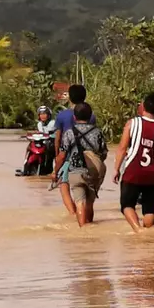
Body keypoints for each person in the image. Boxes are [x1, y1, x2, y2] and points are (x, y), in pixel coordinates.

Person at [113, 93, 154, 232]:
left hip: (133, 172)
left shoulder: (132, 123)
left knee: (127, 205)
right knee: (149, 208)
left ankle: (139, 230)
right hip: (153, 174)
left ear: (143, 106)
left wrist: (116, 169)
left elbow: (122, 148)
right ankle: (148, 236)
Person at [54, 103, 108, 227]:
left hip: (75, 170)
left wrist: (55, 172)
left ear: (74, 117)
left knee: (80, 202)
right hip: (94, 171)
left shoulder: (69, 133)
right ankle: (89, 229)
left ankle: (83, 231)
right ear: (90, 116)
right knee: (89, 203)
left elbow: (62, 156)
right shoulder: (97, 132)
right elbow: (104, 154)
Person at [53, 85, 96, 215]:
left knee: (63, 184)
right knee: (85, 188)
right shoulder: (91, 115)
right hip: (88, 157)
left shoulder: (62, 115)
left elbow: (57, 138)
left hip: (67, 157)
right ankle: (83, 213)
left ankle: (73, 213)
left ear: (70, 98)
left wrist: (57, 158)